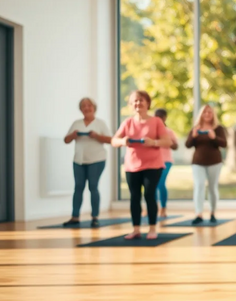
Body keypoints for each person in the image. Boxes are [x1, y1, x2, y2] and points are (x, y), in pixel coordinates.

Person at [111, 90, 173, 240]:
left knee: (149, 195)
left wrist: (153, 142)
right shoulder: (127, 122)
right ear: (131, 105)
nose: (138, 103)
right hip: (132, 165)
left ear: (148, 103)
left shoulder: (156, 122)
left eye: (141, 100)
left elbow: (167, 141)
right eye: (135, 101)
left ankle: (152, 228)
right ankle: (136, 229)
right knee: (134, 197)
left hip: (153, 165)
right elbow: (114, 141)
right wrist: (122, 141)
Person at [62, 97, 112, 227]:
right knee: (78, 187)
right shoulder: (76, 123)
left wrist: (96, 136)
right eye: (83, 106)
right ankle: (75, 216)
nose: (86, 108)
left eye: (89, 105)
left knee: (93, 186)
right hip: (79, 160)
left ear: (94, 108)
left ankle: (95, 217)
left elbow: (110, 140)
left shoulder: (100, 123)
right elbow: (66, 140)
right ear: (80, 109)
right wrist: (73, 135)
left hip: (97, 160)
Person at [186, 104, 227, 224]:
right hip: (198, 162)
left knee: (212, 187)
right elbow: (188, 144)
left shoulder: (218, 128)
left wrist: (214, 137)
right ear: (201, 114)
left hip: (214, 162)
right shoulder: (196, 128)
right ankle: (198, 213)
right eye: (205, 112)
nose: (207, 114)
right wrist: (193, 137)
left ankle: (213, 212)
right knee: (199, 186)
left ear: (213, 114)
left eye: (209, 112)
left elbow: (224, 144)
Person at [154, 108, 179, 218]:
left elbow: (175, 146)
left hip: (166, 161)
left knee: (160, 183)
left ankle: (163, 208)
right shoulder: (152, 131)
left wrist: (167, 141)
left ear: (165, 118)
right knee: (151, 186)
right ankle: (153, 207)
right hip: (153, 160)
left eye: (160, 117)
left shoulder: (168, 131)